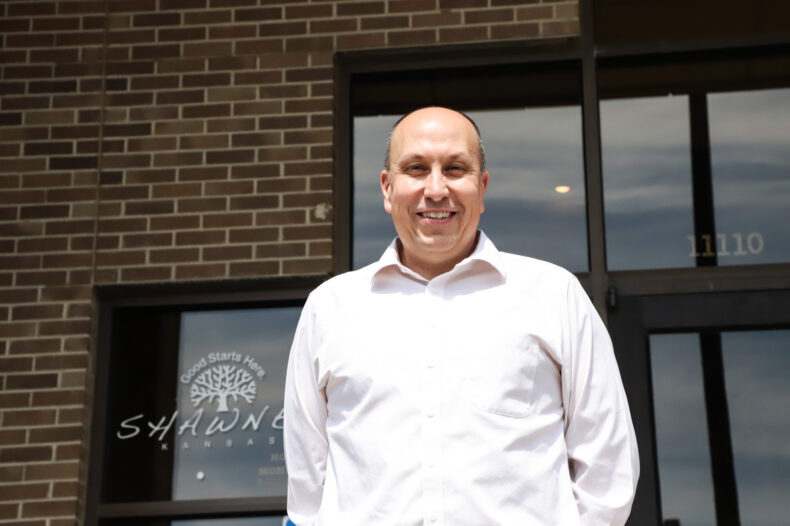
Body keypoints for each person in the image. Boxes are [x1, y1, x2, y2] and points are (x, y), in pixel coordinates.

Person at [284, 106, 639, 525]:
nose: (436, 189)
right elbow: (308, 492)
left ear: (482, 187)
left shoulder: (554, 295)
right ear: (387, 187)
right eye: (416, 168)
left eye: (455, 168)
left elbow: (607, 472)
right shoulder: (330, 309)